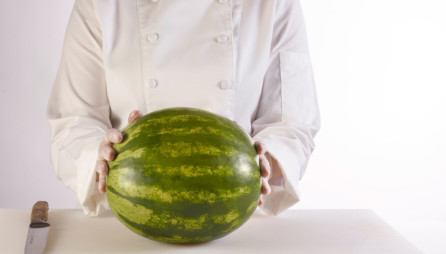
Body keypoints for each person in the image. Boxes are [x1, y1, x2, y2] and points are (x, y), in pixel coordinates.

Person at [47, 0, 320, 217]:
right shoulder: (100, 4)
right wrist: (97, 156)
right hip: (125, 229)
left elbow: (293, 123)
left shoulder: (275, 3)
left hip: (235, 229)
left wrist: (265, 162)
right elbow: (72, 122)